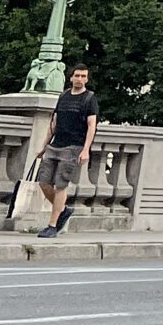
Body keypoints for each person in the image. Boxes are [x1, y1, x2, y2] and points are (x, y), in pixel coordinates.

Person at [31, 63, 98, 238]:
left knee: (61, 185)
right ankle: (63, 210)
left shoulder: (89, 99)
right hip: (55, 145)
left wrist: (85, 150)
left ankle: (52, 225)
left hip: (73, 147)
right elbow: (53, 123)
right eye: (77, 76)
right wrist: (44, 146)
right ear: (71, 77)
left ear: (87, 79)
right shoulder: (64, 96)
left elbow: (92, 126)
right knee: (43, 182)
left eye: (84, 76)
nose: (80, 79)